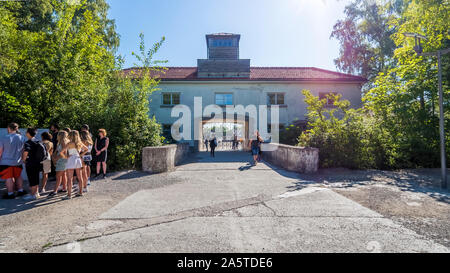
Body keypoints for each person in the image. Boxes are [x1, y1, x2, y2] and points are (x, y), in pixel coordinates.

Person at [0, 123, 27, 199]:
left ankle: (10, 193)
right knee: (18, 176)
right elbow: (24, 150)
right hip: (18, 161)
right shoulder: (22, 138)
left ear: (9, 128)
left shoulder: (4, 138)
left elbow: (0, 151)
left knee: (9, 177)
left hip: (6, 161)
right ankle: (20, 190)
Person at [22, 128, 45, 200]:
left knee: (31, 178)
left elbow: (26, 152)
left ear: (29, 133)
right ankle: (36, 193)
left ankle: (32, 194)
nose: (25, 133)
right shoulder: (38, 141)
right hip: (37, 162)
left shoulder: (28, 142)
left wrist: (23, 160)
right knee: (36, 178)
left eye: (26, 132)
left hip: (30, 163)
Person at [65, 130, 87, 199]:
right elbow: (86, 149)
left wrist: (66, 157)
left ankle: (69, 195)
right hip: (78, 159)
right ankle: (80, 192)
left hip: (71, 159)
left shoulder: (69, 143)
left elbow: (62, 152)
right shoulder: (79, 143)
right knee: (80, 177)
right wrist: (80, 155)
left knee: (69, 178)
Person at [48, 131, 69, 197]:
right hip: (62, 160)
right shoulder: (60, 142)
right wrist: (53, 156)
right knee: (63, 175)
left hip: (62, 160)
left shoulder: (63, 142)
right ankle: (64, 188)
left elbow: (64, 153)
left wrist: (56, 158)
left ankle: (55, 191)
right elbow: (56, 151)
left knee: (58, 176)